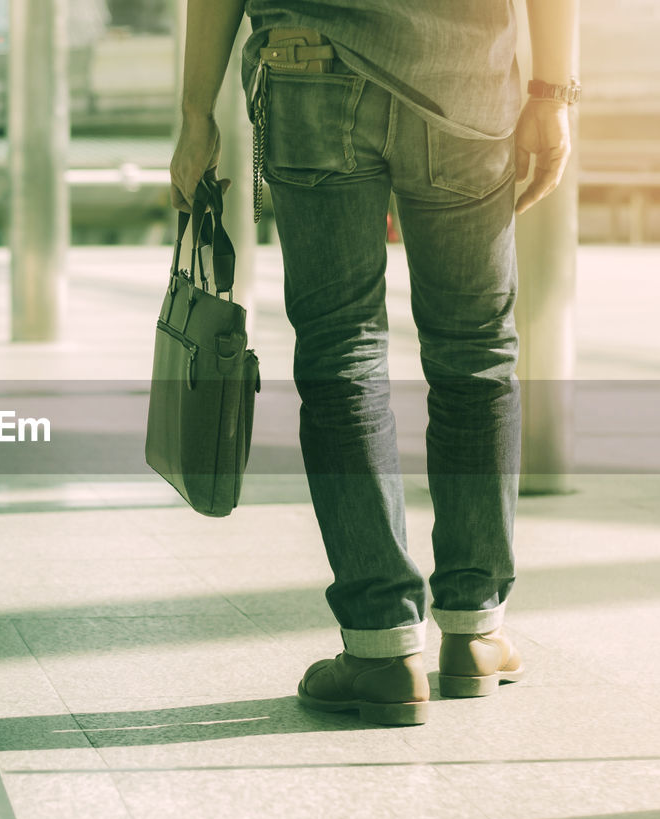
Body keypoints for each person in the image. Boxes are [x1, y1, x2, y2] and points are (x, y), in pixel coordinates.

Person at [171, 1, 577, 726]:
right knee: (475, 350)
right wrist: (552, 92)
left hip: (309, 65)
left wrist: (194, 111)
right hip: (465, 77)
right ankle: (475, 629)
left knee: (340, 348)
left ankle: (382, 647)